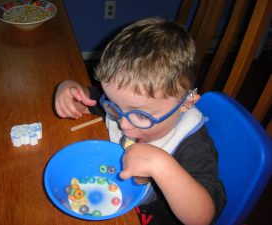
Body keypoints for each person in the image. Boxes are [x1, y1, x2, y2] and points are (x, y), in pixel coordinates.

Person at [55, 18, 226, 225]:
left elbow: (202, 217)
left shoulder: (193, 145)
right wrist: (71, 89)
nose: (123, 125)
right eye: (114, 106)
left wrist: (161, 165)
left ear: (186, 103)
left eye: (142, 116)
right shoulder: (127, 105)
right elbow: (91, 99)